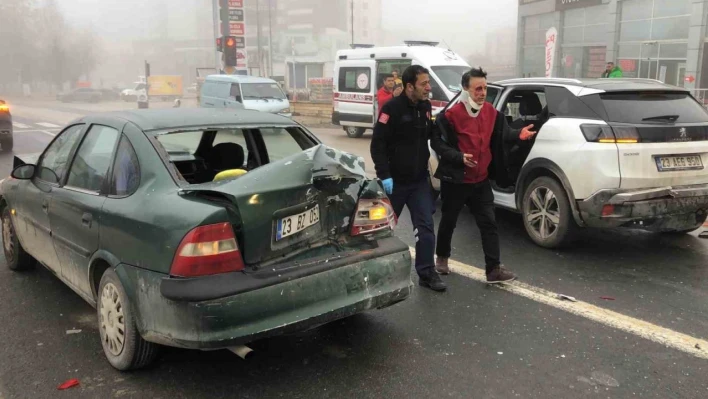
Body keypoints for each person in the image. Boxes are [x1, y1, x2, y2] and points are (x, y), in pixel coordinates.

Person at [431, 67, 536, 284]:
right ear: (466, 89)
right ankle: (442, 258)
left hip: (480, 180)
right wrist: (458, 157)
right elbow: (437, 143)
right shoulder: (450, 115)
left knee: (489, 224)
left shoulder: (491, 113)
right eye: (478, 88)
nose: (482, 92)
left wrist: (519, 134)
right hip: (457, 180)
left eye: (485, 88)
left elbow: (504, 134)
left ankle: (493, 269)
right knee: (449, 221)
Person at [370, 65, 446, 292]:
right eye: (424, 83)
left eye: (428, 83)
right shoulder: (391, 109)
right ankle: (373, 273)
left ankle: (427, 273)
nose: (428, 87)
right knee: (380, 230)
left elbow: (431, 136)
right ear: (410, 86)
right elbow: (378, 145)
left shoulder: (425, 107)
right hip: (395, 183)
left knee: (425, 228)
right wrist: (385, 175)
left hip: (419, 181)